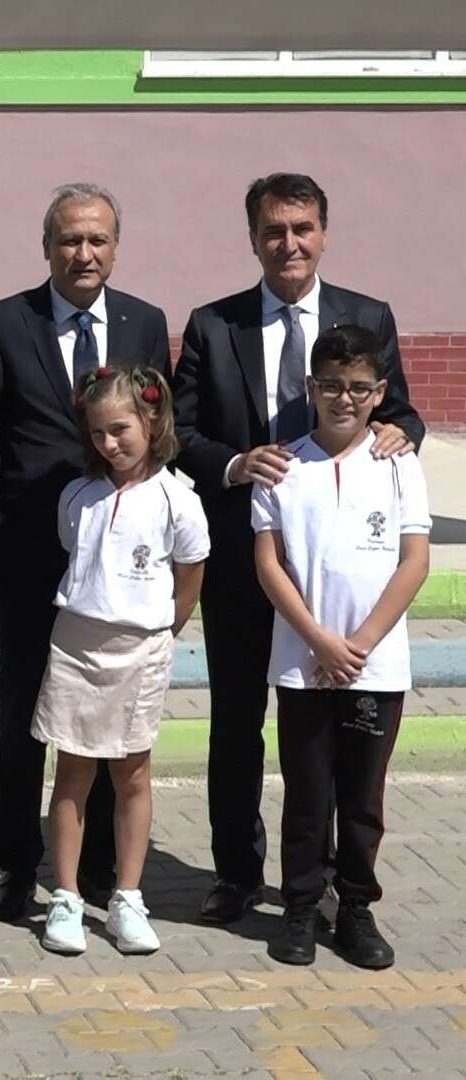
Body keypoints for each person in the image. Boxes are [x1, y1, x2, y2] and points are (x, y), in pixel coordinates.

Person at [172, 173, 425, 926]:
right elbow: (178, 432)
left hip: (338, 577)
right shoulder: (213, 325)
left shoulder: (367, 316)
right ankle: (236, 873)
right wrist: (234, 463)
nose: (290, 243)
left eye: (303, 228)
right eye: (275, 230)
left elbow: (402, 412)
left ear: (323, 234)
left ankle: (336, 886)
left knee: (335, 740)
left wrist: (400, 432)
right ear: (254, 238)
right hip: (249, 564)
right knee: (236, 723)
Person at [0, 185, 169, 920]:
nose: (83, 253)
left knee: (112, 724)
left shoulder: (146, 322)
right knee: (26, 714)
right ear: (47, 246)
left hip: (118, 563)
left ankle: (97, 870)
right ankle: (17, 866)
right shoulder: (0, 323)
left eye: (97, 240)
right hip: (30, 554)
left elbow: (160, 433)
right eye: (69, 240)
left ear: (115, 247)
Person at [252, 326, 430, 970]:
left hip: (373, 669)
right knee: (306, 795)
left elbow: (414, 561)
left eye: (358, 387)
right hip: (304, 665)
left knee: (362, 800)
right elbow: (269, 563)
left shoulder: (398, 463)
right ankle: (301, 907)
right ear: (310, 388)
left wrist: (358, 644)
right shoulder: (282, 467)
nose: (344, 399)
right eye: (331, 386)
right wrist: (320, 642)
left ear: (380, 392)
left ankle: (354, 906)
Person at [33, 366, 207, 957]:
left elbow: (189, 576)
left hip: (141, 650)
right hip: (76, 645)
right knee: (72, 771)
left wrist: (161, 629)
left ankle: (127, 896)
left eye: (121, 429)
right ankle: (65, 896)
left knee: (131, 774)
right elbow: (76, 557)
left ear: (152, 421)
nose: (109, 443)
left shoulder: (179, 500)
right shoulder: (77, 496)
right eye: (98, 432)